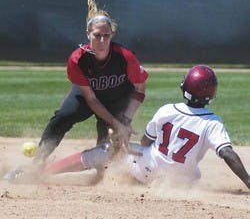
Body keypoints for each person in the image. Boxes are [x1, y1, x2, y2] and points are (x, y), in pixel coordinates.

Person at [4, 0, 148, 181]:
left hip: (117, 99)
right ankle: (37, 164)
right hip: (89, 97)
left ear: (112, 35)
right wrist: (116, 122)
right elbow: (92, 99)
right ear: (88, 35)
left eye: (107, 35)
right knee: (62, 117)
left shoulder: (125, 57)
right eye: (97, 35)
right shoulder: (77, 59)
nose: (102, 41)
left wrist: (125, 120)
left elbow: (140, 86)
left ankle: (107, 177)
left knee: (108, 144)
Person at [43, 65, 250, 189]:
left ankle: (42, 171)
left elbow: (144, 142)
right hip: (182, 181)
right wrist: (249, 182)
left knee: (107, 151)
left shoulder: (167, 110)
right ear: (211, 94)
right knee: (186, 172)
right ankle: (147, 182)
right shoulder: (213, 122)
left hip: (148, 170)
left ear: (184, 86)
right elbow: (228, 154)